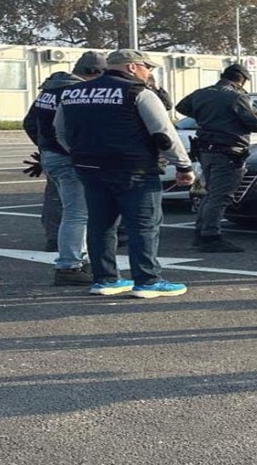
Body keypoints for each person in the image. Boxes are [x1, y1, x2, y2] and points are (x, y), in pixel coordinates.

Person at [54, 49, 195, 298]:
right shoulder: (138, 92)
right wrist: (183, 166)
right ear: (131, 67)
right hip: (134, 169)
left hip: (89, 168)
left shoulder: (72, 93)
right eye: (146, 67)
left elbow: (61, 132)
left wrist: (81, 154)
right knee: (143, 225)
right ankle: (148, 281)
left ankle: (105, 279)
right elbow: (163, 134)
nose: (148, 72)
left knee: (100, 225)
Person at [22, 50, 107, 284]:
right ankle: (69, 265)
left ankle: (78, 258)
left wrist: (44, 147)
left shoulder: (48, 91)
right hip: (69, 157)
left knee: (68, 208)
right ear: (93, 72)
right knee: (77, 213)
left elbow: (29, 122)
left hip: (51, 156)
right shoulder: (76, 92)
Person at [176, 63, 257, 252]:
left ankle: (201, 233)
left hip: (205, 150)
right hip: (228, 151)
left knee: (210, 193)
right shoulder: (237, 97)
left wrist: (206, 115)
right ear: (242, 80)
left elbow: (182, 107)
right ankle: (211, 236)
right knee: (220, 196)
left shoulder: (201, 93)